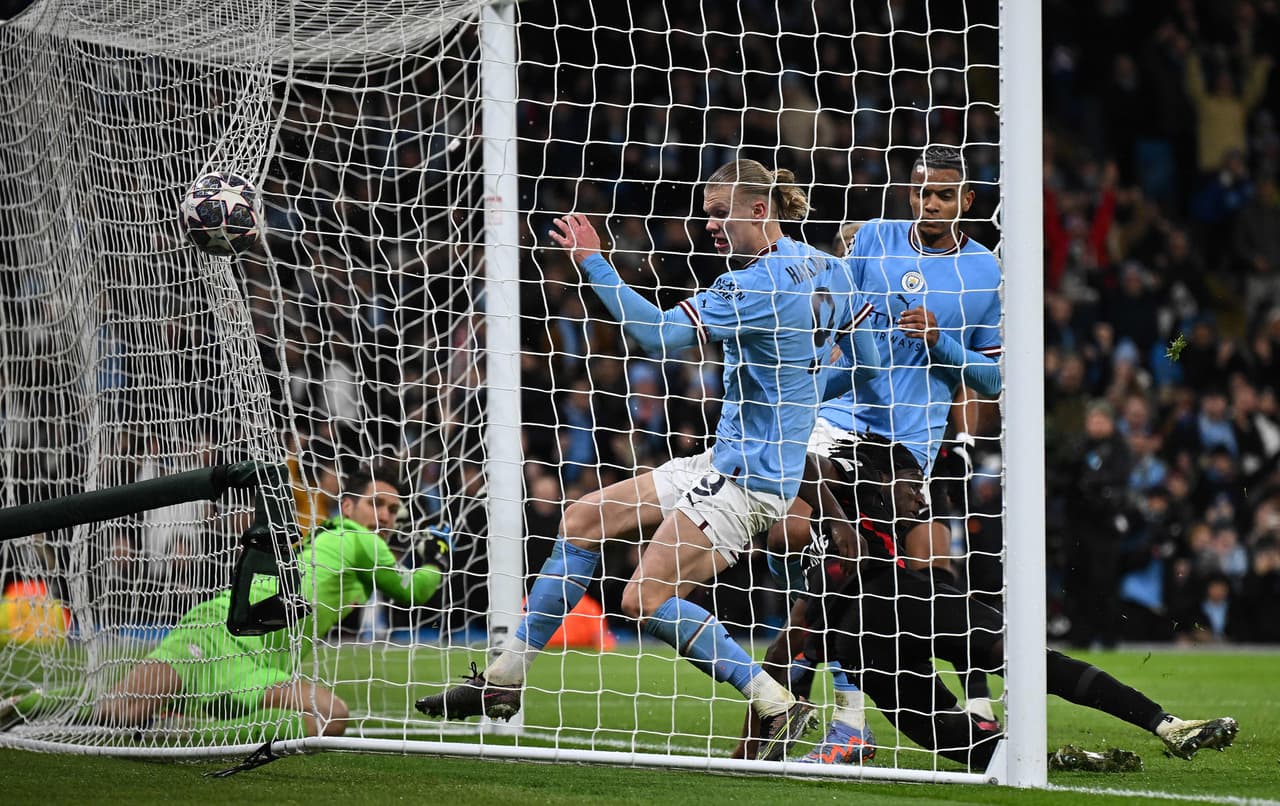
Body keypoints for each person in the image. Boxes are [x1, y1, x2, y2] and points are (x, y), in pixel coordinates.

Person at [415, 158, 879, 762]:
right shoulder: (834, 271)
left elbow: (658, 336)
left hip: (747, 478)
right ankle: (506, 676)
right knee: (582, 517)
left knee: (642, 601)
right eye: (705, 213)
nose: (708, 225)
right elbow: (868, 369)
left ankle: (777, 702)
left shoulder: (753, 285)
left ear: (759, 210)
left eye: (719, 214)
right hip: (729, 459)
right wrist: (801, 391)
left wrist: (592, 261)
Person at [736, 436, 1239, 769]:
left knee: (945, 737)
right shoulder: (851, 480)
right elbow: (804, 462)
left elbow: (805, 625)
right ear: (877, 482)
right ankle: (1166, 725)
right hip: (897, 602)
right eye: (914, 489)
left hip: (861, 643)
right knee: (1024, 660)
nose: (922, 501)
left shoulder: (827, 530)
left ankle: (1051, 761)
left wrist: (793, 683)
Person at [763, 145, 1003, 764]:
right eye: (922, 192)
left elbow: (995, 379)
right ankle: (840, 717)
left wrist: (940, 341)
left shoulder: (986, 273)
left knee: (891, 578)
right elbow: (840, 305)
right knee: (811, 540)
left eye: (945, 195)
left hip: (905, 445)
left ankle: (853, 709)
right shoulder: (872, 237)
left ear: (966, 201)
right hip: (835, 419)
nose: (931, 205)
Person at [1, 468, 447, 743]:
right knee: (120, 709)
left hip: (259, 662)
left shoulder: (332, 540)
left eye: (394, 509)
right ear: (349, 506)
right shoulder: (359, 539)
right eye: (377, 505)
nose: (387, 516)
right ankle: (27, 703)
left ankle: (175, 725)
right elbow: (415, 592)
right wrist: (436, 557)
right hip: (218, 633)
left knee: (331, 717)